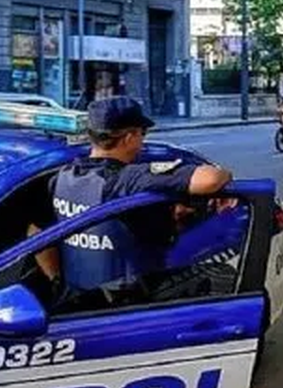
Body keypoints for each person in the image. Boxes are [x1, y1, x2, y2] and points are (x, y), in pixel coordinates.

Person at [42, 97, 232, 304]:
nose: (143, 141)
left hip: (77, 302)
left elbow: (37, 231)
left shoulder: (61, 178)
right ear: (129, 137)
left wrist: (55, 281)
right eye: (143, 134)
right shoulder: (126, 179)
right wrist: (225, 174)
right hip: (128, 305)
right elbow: (211, 179)